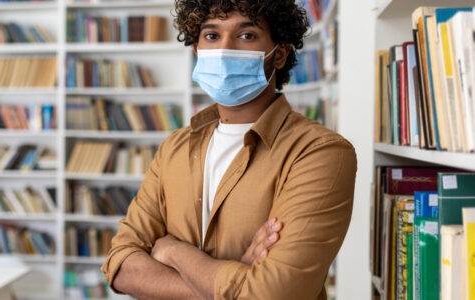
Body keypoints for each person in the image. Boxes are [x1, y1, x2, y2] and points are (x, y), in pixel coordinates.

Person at [101, 0, 357, 299]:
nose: (224, 49)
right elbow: (119, 266)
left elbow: (274, 293)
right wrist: (233, 281)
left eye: (246, 35)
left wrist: (172, 251)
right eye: (211, 36)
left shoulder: (319, 153)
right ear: (197, 51)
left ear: (279, 54)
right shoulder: (175, 147)